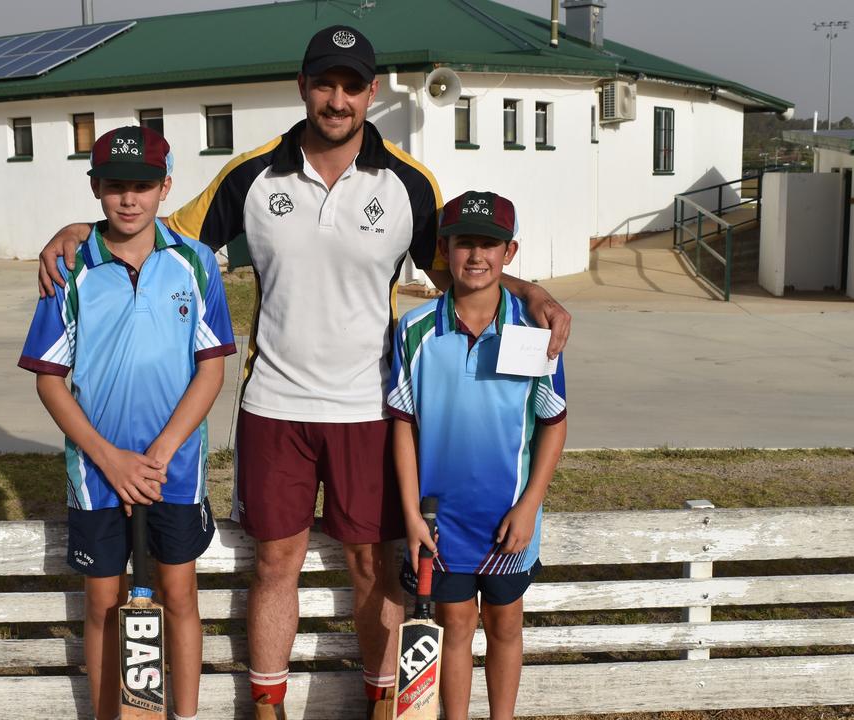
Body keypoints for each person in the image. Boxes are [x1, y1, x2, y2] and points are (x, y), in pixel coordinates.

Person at [36, 26, 571, 720]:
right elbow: (159, 233)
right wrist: (81, 230)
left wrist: (529, 292)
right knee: (277, 562)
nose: (338, 99)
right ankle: (268, 706)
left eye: (352, 86)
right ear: (303, 86)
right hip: (275, 406)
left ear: (371, 93)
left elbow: (466, 270)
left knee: (373, 567)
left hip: (369, 406)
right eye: (325, 83)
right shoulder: (253, 175)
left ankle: (384, 705)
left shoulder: (409, 182)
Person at [19, 125, 236, 720]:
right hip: (97, 469)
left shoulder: (194, 264)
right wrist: (110, 458)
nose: (129, 199)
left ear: (166, 187)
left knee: (179, 595)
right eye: (116, 186)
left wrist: (163, 451)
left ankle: (184, 715)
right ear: (95, 188)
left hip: (175, 467)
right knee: (104, 603)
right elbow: (49, 380)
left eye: (143, 185)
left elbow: (211, 370)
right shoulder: (69, 268)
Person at [387, 191, 567, 720]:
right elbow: (402, 428)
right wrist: (411, 515)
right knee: (455, 625)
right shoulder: (415, 330)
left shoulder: (535, 333)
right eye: (465, 243)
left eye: (490, 244)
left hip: (508, 518)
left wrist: (530, 506)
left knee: (506, 626)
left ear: (509, 253)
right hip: (441, 522)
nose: (476, 256)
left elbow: (553, 426)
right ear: (445, 249)